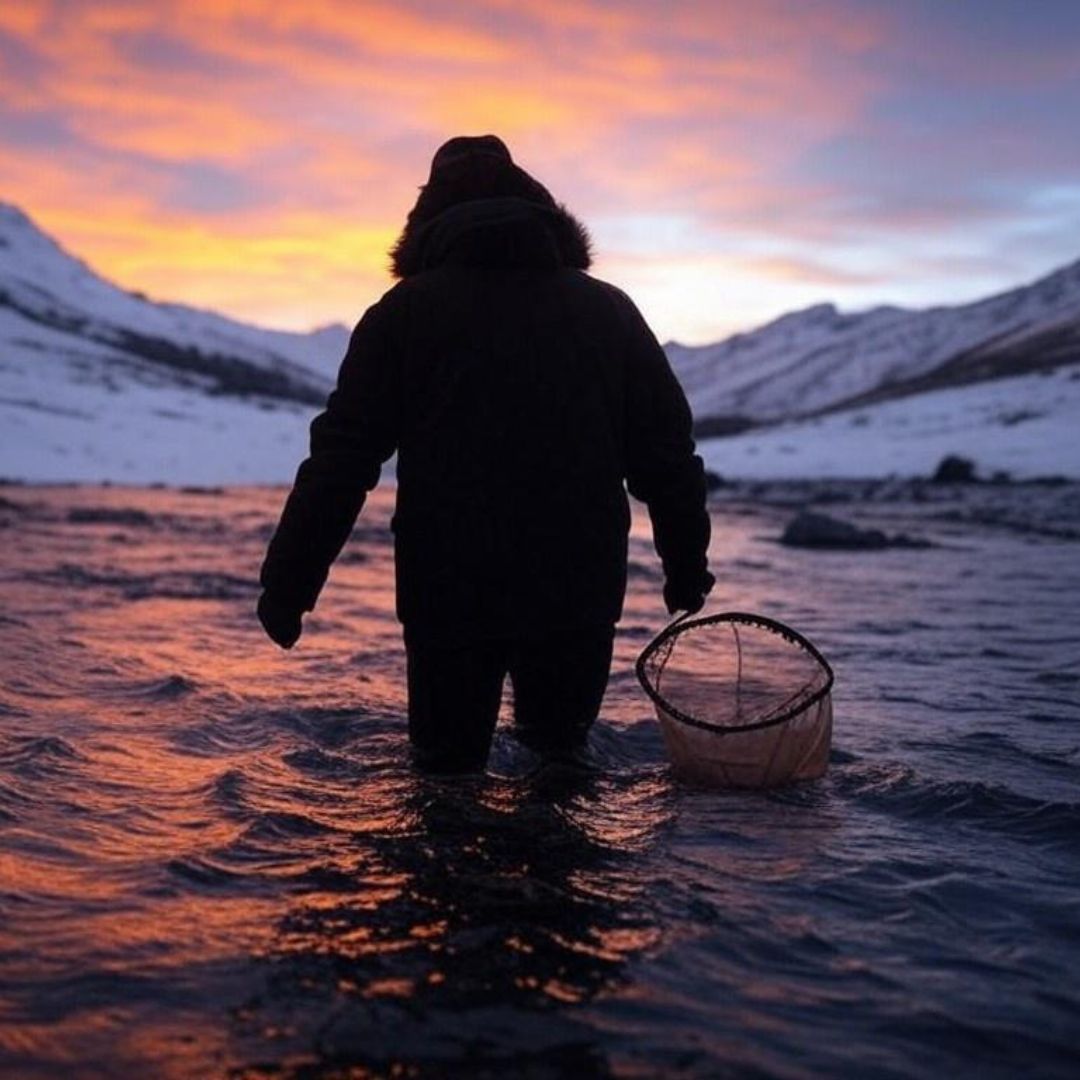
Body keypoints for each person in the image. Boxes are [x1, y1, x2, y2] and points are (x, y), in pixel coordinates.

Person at [257, 135, 714, 773]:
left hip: (448, 588)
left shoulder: (403, 314)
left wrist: (288, 586)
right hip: (577, 584)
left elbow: (341, 463)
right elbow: (666, 454)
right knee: (562, 772)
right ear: (540, 210)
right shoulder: (607, 311)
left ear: (427, 219)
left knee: (443, 782)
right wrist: (685, 567)